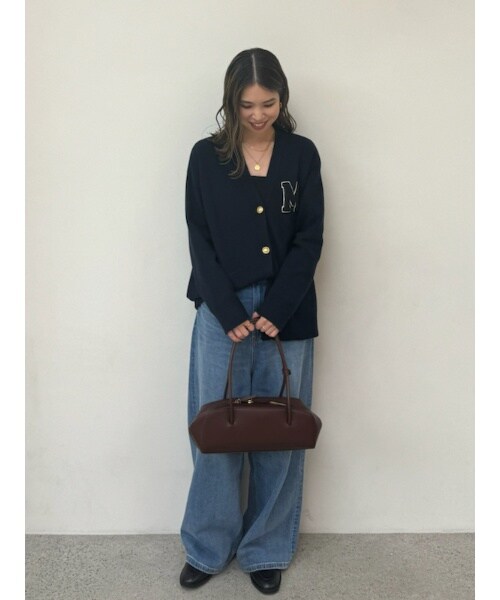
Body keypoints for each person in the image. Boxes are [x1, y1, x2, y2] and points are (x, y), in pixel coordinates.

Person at [179, 48, 324, 595]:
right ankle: (207, 546)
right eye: (247, 105)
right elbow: (199, 237)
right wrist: (229, 311)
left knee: (279, 431)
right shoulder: (206, 157)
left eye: (268, 103)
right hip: (222, 311)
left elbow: (310, 237)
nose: (259, 114)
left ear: (282, 98)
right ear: (230, 102)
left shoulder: (302, 155)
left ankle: (265, 549)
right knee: (217, 430)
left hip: (288, 311)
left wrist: (276, 310)